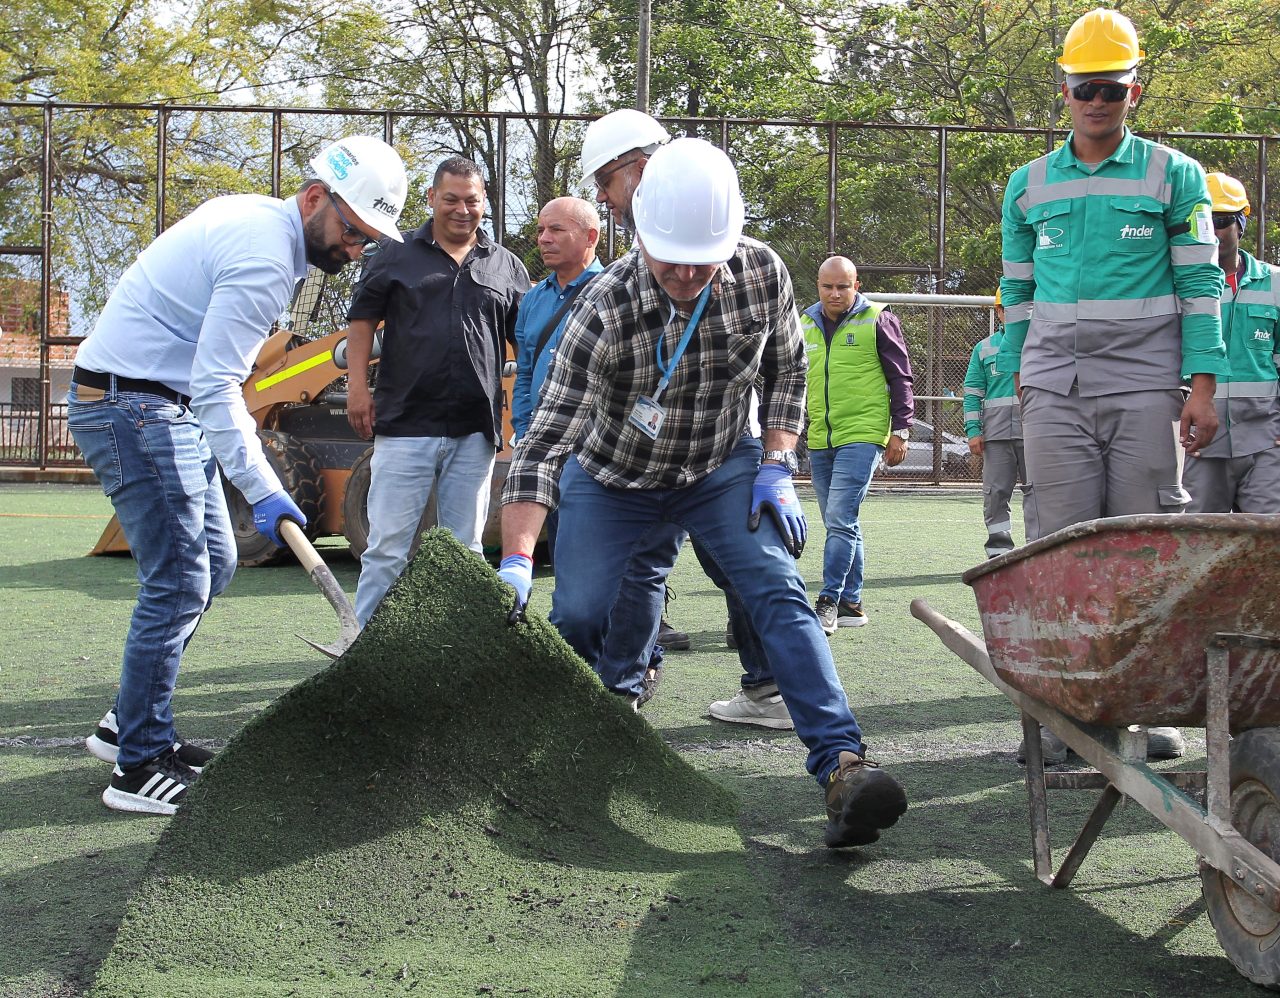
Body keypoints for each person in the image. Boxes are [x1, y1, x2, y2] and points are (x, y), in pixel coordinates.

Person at [497, 138, 906, 848]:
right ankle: (552, 758)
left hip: (719, 466)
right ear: (640, 234)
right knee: (581, 613)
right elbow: (544, 443)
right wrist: (518, 557)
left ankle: (842, 765)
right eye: (669, 256)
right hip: (613, 479)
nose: (686, 273)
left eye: (702, 256)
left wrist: (777, 463)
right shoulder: (604, 307)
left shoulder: (762, 273)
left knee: (776, 589)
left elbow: (786, 373)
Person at [73, 136, 408, 814]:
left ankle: (129, 722)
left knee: (217, 559)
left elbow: (206, 384)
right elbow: (220, 387)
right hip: (132, 405)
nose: (355, 250)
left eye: (366, 239)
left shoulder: (259, 220)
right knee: (180, 579)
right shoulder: (263, 258)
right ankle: (137, 769)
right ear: (315, 199)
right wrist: (266, 489)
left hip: (152, 400)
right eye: (352, 231)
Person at [998, 8, 1227, 763]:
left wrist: (1202, 388)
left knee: (1140, 555)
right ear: (1063, 89)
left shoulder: (1175, 175)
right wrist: (1023, 372)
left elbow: (1201, 288)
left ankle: (1133, 714)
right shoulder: (1026, 186)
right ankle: (1064, 719)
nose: (1096, 102)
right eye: (1082, 88)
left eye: (1111, 89)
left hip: (1144, 390)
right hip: (1055, 391)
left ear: (1134, 92)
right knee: (1059, 551)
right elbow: (1017, 294)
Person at [583, 109, 789, 728]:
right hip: (643, 454)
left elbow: (784, 365)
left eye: (606, 181)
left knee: (743, 565)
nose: (602, 198)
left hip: (720, 448)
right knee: (642, 569)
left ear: (640, 172)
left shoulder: (736, 255)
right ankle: (624, 688)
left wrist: (776, 463)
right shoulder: (623, 271)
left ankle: (769, 686)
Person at [345, 156, 529, 628]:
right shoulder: (394, 252)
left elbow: (526, 341)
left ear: (484, 202)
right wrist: (357, 389)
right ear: (432, 199)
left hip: (475, 429)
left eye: (472, 200)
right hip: (405, 424)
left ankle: (457, 648)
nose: (461, 210)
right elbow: (362, 322)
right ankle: (364, 649)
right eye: (451, 199)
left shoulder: (505, 265)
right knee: (387, 547)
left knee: (465, 549)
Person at [802, 256, 913, 635]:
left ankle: (828, 600)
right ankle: (852, 603)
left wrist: (902, 430)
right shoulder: (804, 323)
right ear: (818, 285)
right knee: (842, 522)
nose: (835, 293)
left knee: (838, 519)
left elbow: (901, 379)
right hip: (820, 438)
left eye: (843, 286)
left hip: (863, 434)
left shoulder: (878, 319)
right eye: (827, 286)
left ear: (856, 285)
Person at [1183, 173, 1280, 513]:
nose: (1211, 230)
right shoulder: (1175, 288)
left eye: (1221, 220)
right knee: (1197, 544)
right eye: (1201, 221)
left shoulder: (1275, 284)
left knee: (1268, 542)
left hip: (1265, 442)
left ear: (1241, 223)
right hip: (1198, 445)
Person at [963, 288, 1038, 557]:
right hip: (996, 436)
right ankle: (999, 551)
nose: (1013, 315)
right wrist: (973, 431)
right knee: (995, 495)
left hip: (1035, 434)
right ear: (999, 312)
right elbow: (972, 393)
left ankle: (1038, 547)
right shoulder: (984, 349)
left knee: (1038, 493)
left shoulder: (1039, 344)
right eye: (1007, 309)